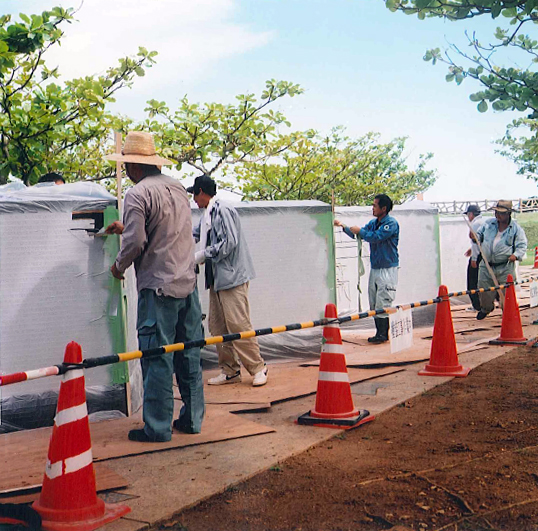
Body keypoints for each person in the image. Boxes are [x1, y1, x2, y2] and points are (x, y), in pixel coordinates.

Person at [104, 131, 205, 442]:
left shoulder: (136, 195)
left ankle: (158, 428)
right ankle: (192, 420)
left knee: (156, 357)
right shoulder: (177, 188)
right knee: (188, 354)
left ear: (133, 167)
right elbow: (167, 230)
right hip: (188, 284)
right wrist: (129, 227)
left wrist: (118, 267)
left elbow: (136, 242)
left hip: (158, 289)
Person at [188, 175, 268, 386]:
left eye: (194, 194)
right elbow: (192, 235)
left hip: (232, 277)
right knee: (218, 326)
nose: (194, 200)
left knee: (238, 324)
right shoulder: (207, 215)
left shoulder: (223, 210)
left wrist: (202, 254)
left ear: (202, 192)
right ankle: (230, 370)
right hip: (217, 279)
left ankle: (258, 367)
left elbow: (229, 243)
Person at [334, 194, 399, 344]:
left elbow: (375, 237)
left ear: (384, 208)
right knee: (374, 301)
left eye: (375, 205)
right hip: (376, 267)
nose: (372, 208)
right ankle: (379, 332)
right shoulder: (373, 223)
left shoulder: (391, 224)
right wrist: (343, 226)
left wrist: (360, 231)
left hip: (388, 268)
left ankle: (383, 334)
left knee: (383, 300)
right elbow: (359, 234)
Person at [475, 199, 527, 321]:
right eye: (496, 212)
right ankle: (486, 308)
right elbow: (478, 235)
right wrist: (474, 237)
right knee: (484, 289)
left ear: (508, 214)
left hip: (505, 265)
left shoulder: (516, 229)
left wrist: (516, 255)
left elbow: (522, 245)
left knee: (507, 292)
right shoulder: (488, 224)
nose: (498, 215)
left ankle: (508, 313)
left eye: (501, 213)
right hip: (487, 265)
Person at [464, 204, 485, 312]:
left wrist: (474, 258)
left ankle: (477, 306)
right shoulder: (485, 222)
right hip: (486, 255)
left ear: (471, 214)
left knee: (472, 282)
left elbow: (476, 242)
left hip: (478, 256)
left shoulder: (475, 224)